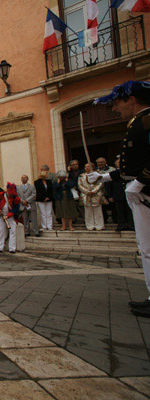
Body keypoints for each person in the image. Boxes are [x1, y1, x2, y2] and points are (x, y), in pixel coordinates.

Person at [87, 80, 150, 317]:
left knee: (148, 248)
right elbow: (132, 165)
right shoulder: (138, 122)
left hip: (146, 191)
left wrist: (142, 181)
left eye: (117, 103)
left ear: (132, 99)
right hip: (141, 191)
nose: (115, 109)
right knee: (146, 248)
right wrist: (104, 177)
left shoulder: (146, 121)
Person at [0, 184, 21, 254]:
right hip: (1, 215)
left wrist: (8, 215)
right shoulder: (1, 195)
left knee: (13, 231)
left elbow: (15, 209)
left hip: (10, 216)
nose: (10, 195)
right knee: (1, 231)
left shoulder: (16, 198)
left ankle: (12, 248)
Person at [78, 162, 106, 231]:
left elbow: (100, 183)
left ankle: (99, 225)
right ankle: (90, 226)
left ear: (93, 167)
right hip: (86, 195)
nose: (87, 168)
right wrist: (87, 192)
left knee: (98, 211)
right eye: (85, 167)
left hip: (96, 195)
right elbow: (79, 185)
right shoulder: (82, 176)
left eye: (88, 166)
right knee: (88, 211)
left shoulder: (97, 175)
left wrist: (94, 191)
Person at [111, 156, 135, 231]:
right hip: (118, 195)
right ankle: (121, 225)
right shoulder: (113, 173)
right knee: (120, 211)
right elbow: (109, 185)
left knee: (130, 210)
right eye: (118, 162)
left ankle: (131, 225)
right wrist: (110, 195)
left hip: (128, 194)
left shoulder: (129, 172)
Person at [96, 157, 116, 224]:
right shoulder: (95, 171)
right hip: (100, 192)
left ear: (105, 162)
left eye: (101, 162)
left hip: (111, 191)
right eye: (98, 162)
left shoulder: (112, 169)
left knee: (113, 206)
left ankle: (115, 219)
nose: (100, 163)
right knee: (102, 208)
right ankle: (104, 219)